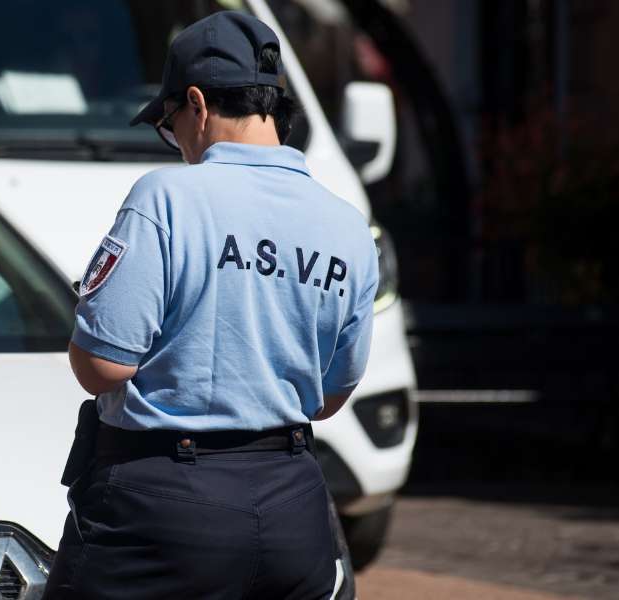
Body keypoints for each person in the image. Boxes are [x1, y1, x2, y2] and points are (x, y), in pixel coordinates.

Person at [43, 11, 377, 600]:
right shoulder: (347, 225)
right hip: (293, 506)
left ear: (195, 104)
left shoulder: (167, 198)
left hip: (163, 510)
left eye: (170, 125)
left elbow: (101, 367)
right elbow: (329, 396)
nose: (178, 146)